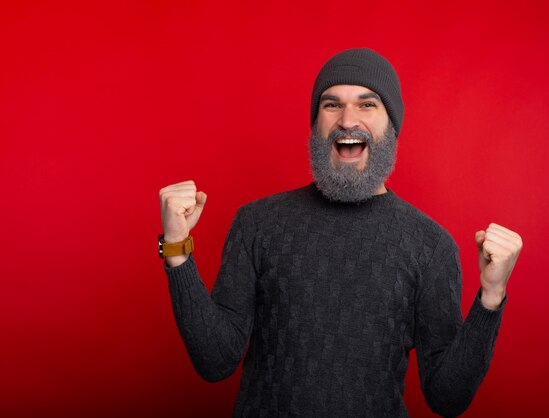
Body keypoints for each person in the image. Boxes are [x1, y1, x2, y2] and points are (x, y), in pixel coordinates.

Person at [158, 48, 522, 418]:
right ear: (316, 123)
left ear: (391, 126)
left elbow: (447, 398)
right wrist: (176, 250)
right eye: (332, 104)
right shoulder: (257, 223)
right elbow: (215, 361)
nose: (348, 119)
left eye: (367, 105)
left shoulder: (430, 245)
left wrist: (491, 297)